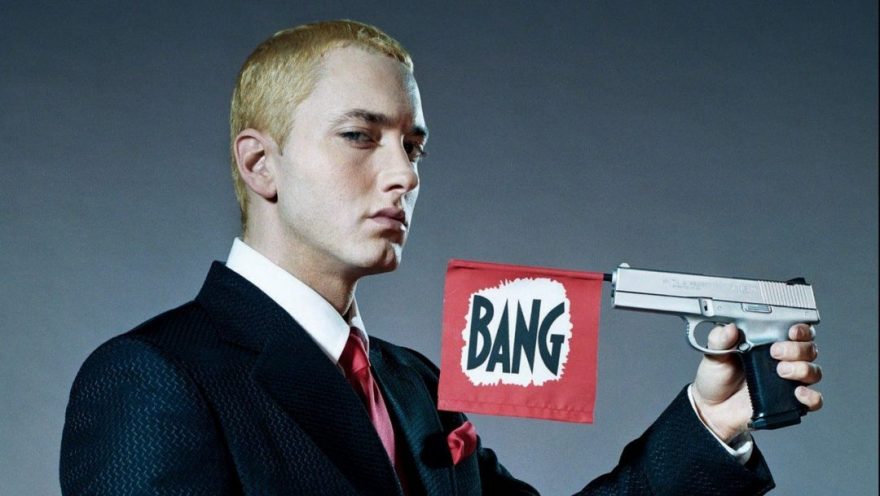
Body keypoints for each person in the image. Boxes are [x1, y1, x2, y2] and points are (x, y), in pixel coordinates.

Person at [60, 20, 823, 495]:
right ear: (262, 164)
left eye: (413, 145)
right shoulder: (153, 378)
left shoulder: (416, 385)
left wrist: (710, 421)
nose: (404, 174)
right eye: (361, 136)